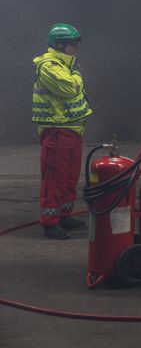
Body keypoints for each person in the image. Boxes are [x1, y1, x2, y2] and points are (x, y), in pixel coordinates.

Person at [32, 23, 93, 239]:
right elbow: (69, 88)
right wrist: (77, 76)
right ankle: (50, 222)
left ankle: (65, 215)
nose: (76, 47)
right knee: (54, 179)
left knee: (69, 177)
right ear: (59, 45)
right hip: (56, 131)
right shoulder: (48, 65)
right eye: (72, 43)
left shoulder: (66, 63)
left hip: (73, 130)